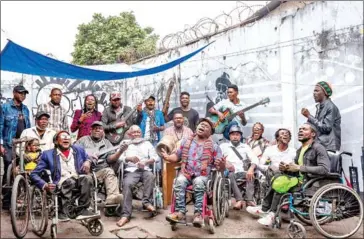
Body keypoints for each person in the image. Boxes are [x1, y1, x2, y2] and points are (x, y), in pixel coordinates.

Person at [246, 123, 330, 227]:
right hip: (299, 179)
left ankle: (271, 214)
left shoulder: (318, 148)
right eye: (299, 129)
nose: (300, 131)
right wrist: (286, 168)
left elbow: (325, 169)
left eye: (304, 129)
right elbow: (296, 168)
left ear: (313, 134)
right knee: (278, 177)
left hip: (310, 182)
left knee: (281, 183)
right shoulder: (300, 150)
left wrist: (298, 168)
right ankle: (265, 209)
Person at [160, 118, 226, 227]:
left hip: (203, 176)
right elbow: (177, 156)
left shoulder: (214, 147)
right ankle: (180, 212)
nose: (202, 126)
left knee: (199, 182)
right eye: (201, 124)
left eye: (206, 126)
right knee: (179, 181)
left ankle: (198, 214)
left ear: (210, 133)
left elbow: (220, 168)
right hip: (186, 173)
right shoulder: (186, 142)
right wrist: (168, 157)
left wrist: (222, 164)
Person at [30, 131, 97, 221]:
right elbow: (34, 174)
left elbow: (93, 157)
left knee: (88, 178)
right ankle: (64, 210)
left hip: (78, 178)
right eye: (62, 136)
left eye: (68, 137)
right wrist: (45, 185)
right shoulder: (47, 154)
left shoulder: (79, 150)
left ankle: (82, 210)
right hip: (61, 182)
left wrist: (88, 161)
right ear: (56, 142)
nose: (66, 138)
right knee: (70, 181)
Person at [116, 125, 159, 227]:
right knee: (127, 184)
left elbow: (155, 157)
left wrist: (146, 162)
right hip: (131, 170)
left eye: (138, 132)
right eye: (134, 132)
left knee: (151, 176)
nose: (136, 134)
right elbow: (119, 157)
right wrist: (129, 158)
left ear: (141, 133)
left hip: (145, 169)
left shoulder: (147, 143)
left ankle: (146, 202)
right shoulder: (125, 143)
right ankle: (126, 215)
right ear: (130, 134)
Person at [75, 121, 125, 205]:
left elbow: (110, 159)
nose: (97, 130)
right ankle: (86, 205)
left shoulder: (107, 143)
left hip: (99, 171)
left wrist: (120, 151)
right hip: (84, 171)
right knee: (87, 179)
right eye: (95, 128)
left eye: (99, 128)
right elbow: (74, 152)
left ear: (103, 131)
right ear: (90, 130)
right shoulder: (83, 140)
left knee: (109, 171)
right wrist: (87, 157)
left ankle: (112, 197)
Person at [0, 85, 31, 209]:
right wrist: (0, 144)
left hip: (23, 145)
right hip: (9, 144)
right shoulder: (4, 107)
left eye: (24, 93)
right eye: (20, 93)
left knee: (22, 170)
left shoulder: (26, 109)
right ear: (14, 93)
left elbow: (28, 127)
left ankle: (17, 198)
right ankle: (7, 201)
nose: (22, 95)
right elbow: (0, 125)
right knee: (9, 169)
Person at [220, 125, 259, 210]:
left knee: (252, 173)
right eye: (233, 134)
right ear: (229, 136)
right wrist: (225, 163)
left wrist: (251, 169)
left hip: (242, 171)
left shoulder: (245, 147)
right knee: (231, 175)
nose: (235, 137)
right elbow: (218, 158)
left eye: (237, 135)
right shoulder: (223, 146)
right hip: (228, 172)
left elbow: (254, 158)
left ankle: (249, 199)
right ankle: (239, 199)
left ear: (240, 136)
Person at [301, 81, 341, 151]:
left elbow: (326, 128)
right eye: (314, 91)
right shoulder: (320, 107)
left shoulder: (331, 107)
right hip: (321, 146)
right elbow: (317, 127)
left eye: (316, 91)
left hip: (329, 148)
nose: (314, 93)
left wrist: (309, 116)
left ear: (325, 93)